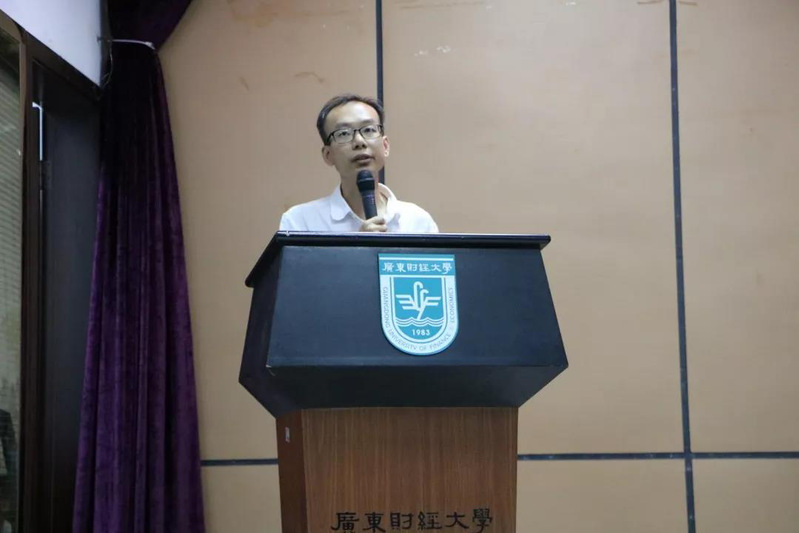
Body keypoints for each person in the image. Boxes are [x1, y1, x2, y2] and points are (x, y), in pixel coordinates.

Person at [279, 94, 439, 233]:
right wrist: (357, 249)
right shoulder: (301, 222)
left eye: (368, 130)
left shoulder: (417, 221)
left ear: (385, 146)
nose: (359, 142)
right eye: (344, 133)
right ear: (328, 155)